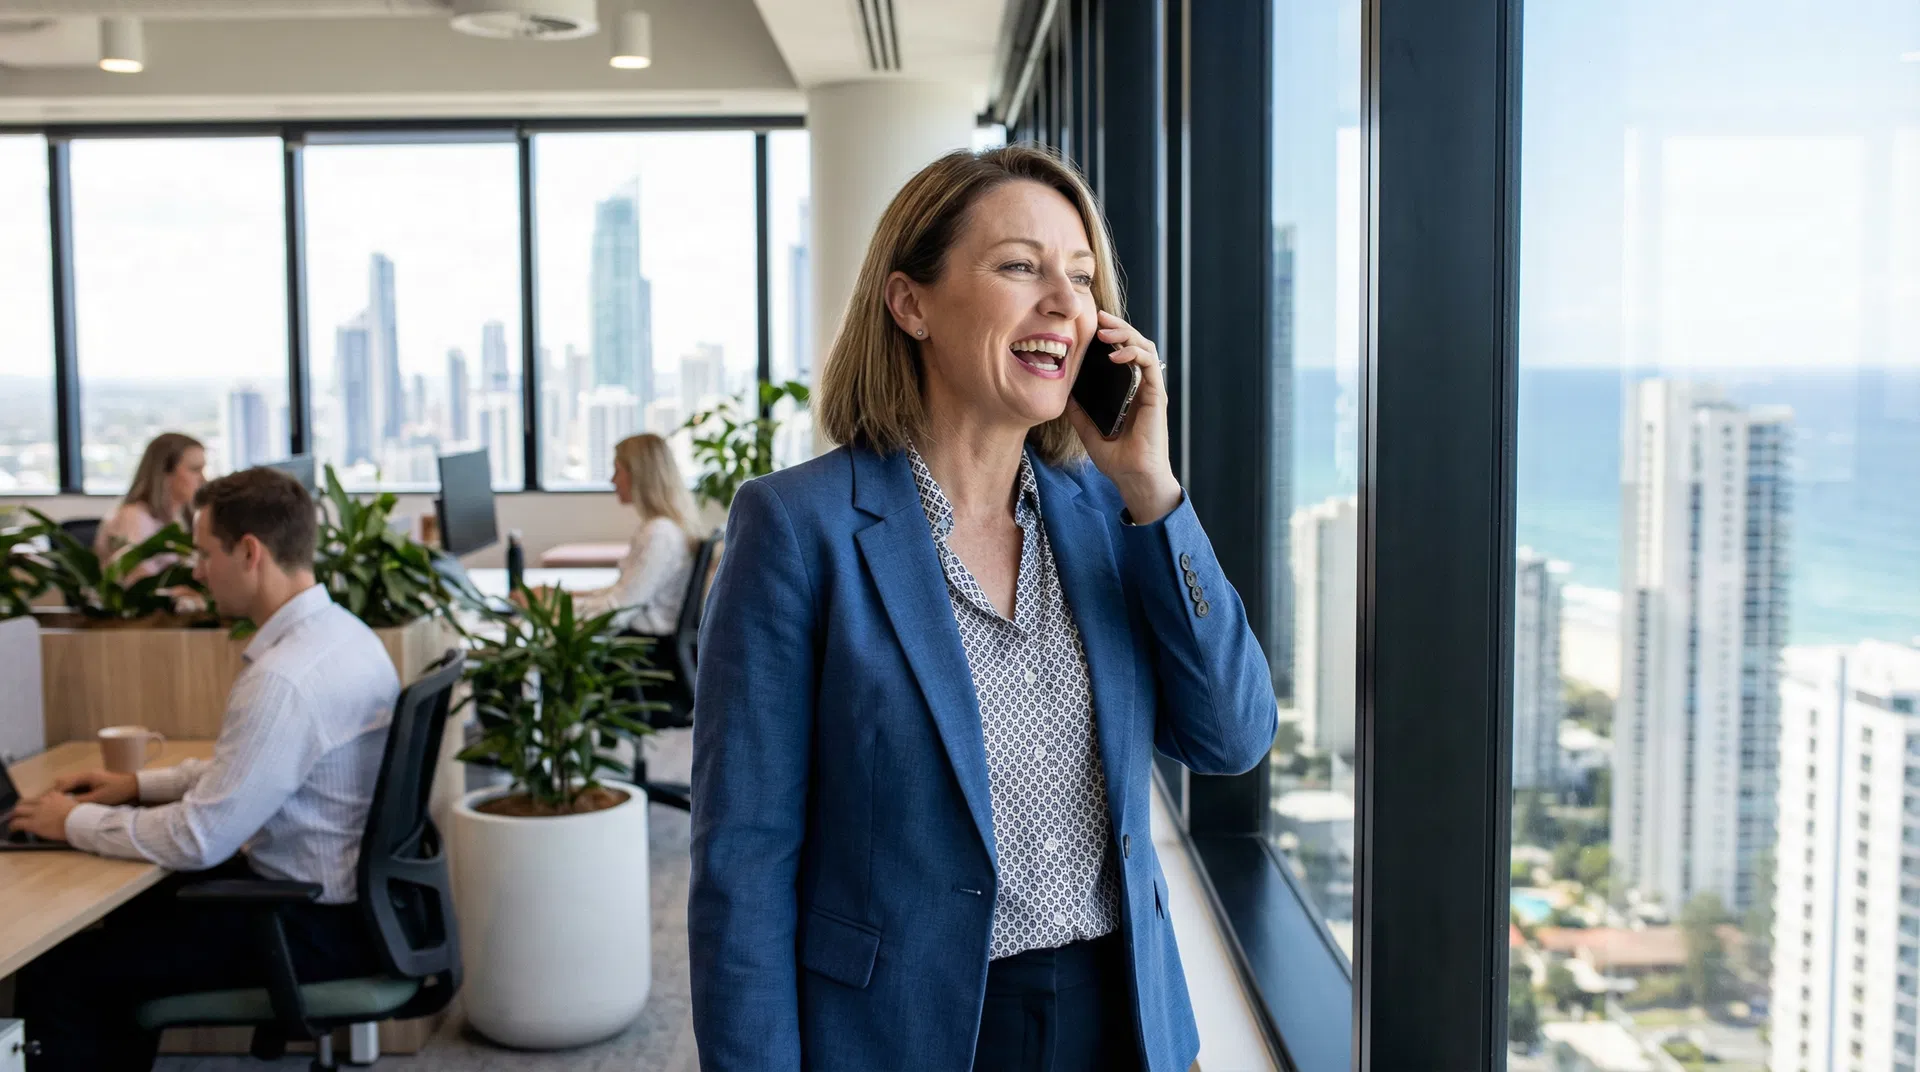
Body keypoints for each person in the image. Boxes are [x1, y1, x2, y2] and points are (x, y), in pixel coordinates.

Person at [688, 145, 1278, 1072]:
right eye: (1019, 266)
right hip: (908, 1031)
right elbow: (743, 862)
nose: (1063, 302)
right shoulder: (797, 528)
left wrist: (1154, 490)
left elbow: (1233, 737)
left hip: (1124, 1020)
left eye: (1081, 277)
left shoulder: (1107, 516)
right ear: (910, 302)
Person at [7, 467, 399, 1072]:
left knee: (63, 976)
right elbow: (249, 769)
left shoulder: (283, 679)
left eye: (203, 553)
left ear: (249, 553)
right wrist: (135, 786)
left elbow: (199, 837)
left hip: (309, 926)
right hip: (349, 910)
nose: (195, 570)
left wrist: (75, 821)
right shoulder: (344, 636)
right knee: (128, 921)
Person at [544, 433, 697, 635]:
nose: (612, 480)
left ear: (639, 475)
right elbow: (623, 593)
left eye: (617, 471)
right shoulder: (661, 528)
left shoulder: (660, 534)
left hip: (641, 649)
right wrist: (565, 598)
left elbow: (618, 611)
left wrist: (551, 610)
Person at [93, 432, 205, 578]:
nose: (203, 479)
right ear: (165, 472)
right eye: (195, 470)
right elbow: (138, 584)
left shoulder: (183, 516)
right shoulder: (132, 517)